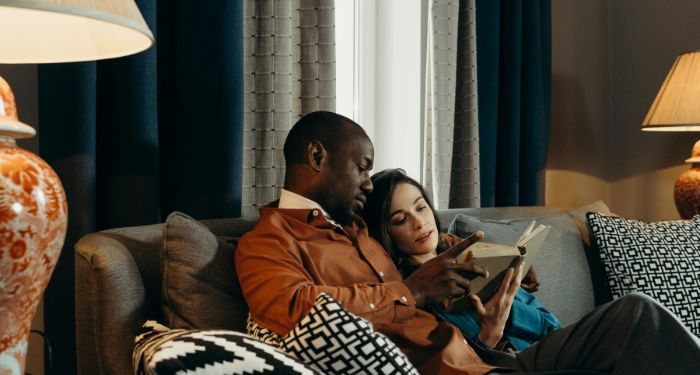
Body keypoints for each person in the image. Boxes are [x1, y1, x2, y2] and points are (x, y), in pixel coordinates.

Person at [235, 110, 700, 374]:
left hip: (487, 360)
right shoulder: (268, 242)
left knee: (632, 325)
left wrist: (493, 264)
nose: (369, 183)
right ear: (317, 156)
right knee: (632, 324)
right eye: (362, 167)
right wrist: (412, 290)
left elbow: (425, 247)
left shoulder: (361, 234)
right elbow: (296, 309)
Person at [360, 168, 560, 351]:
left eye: (421, 207)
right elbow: (452, 365)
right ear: (384, 234)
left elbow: (552, 326)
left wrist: (507, 309)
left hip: (552, 353)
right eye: (400, 220)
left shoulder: (479, 262)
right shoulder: (416, 298)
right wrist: (490, 333)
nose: (419, 222)